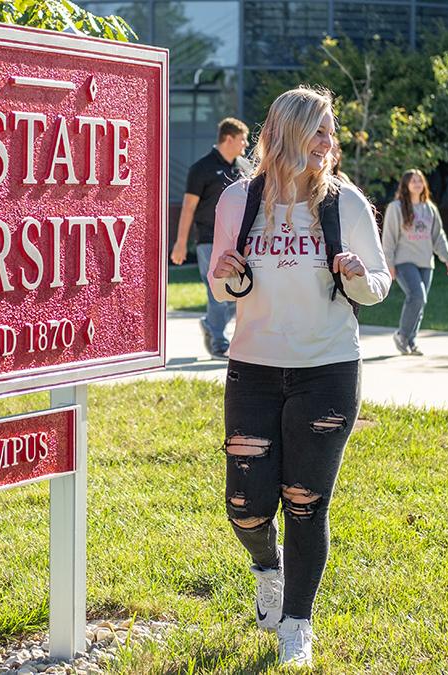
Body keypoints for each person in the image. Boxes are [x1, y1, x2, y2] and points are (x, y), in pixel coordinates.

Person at [208, 87, 390, 667]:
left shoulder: (346, 202)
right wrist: (226, 273)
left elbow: (377, 287)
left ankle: (297, 623)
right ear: (287, 133)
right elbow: (224, 286)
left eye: (331, 132)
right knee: (246, 505)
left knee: (306, 502)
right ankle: (269, 567)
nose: (329, 143)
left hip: (328, 369)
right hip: (255, 368)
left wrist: (360, 275)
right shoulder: (239, 201)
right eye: (319, 130)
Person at [171, 117, 251, 358]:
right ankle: (219, 340)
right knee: (217, 291)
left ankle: (210, 324)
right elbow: (188, 207)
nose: (245, 144)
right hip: (208, 239)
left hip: (239, 240)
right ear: (228, 139)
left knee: (241, 292)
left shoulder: (244, 167)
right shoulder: (201, 169)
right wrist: (181, 243)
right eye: (242, 139)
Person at [380, 169, 448, 356]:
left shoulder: (429, 208)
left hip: (425, 262)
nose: (416, 184)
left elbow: (438, 236)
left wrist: (447, 258)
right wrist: (388, 264)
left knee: (420, 302)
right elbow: (388, 238)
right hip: (404, 261)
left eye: (419, 180)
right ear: (405, 185)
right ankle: (402, 335)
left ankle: (410, 341)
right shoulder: (396, 207)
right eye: (412, 181)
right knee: (417, 296)